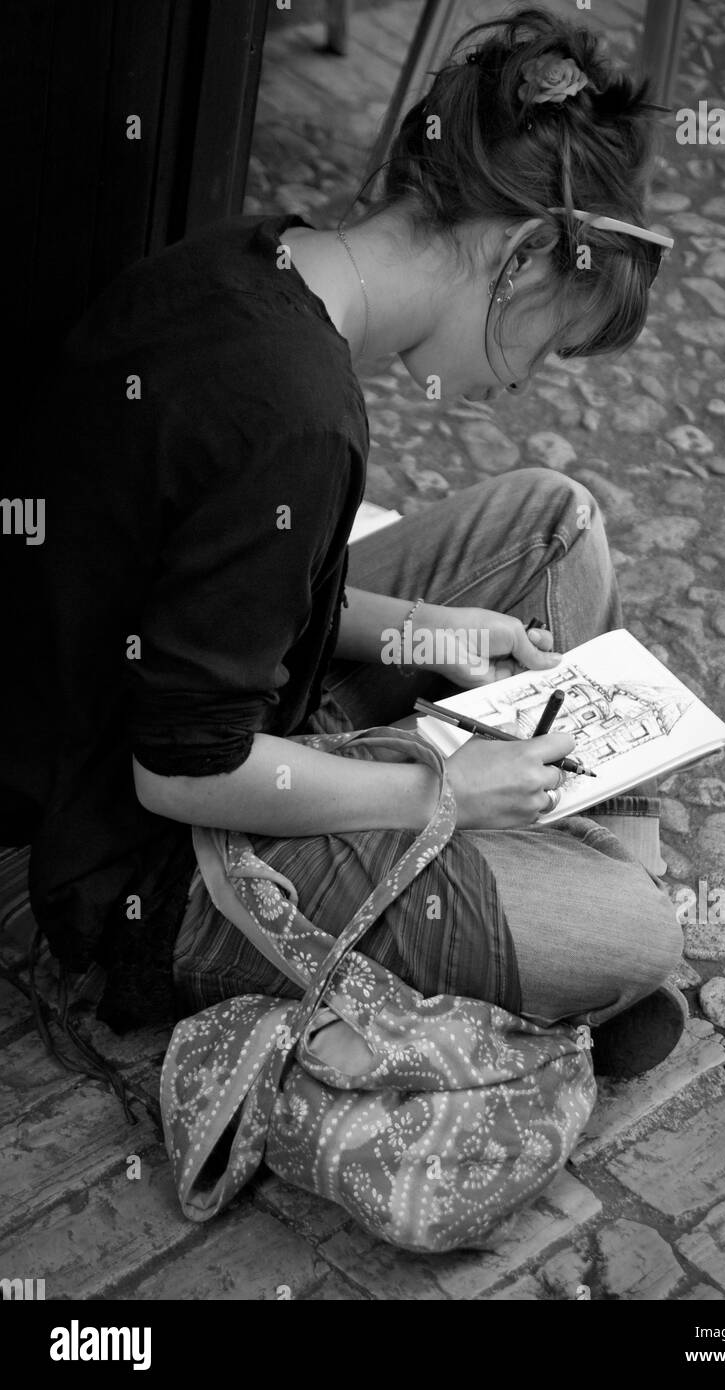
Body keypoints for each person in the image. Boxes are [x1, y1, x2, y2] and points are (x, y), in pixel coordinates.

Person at [12, 8, 685, 1075]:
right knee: (636, 936)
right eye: (547, 348)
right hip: (134, 859)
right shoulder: (298, 418)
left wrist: (426, 630)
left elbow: (208, 582)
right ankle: (539, 876)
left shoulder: (259, 254)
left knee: (555, 522)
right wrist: (444, 795)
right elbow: (181, 771)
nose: (515, 385)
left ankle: (526, 867)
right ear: (516, 257)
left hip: (170, 688)